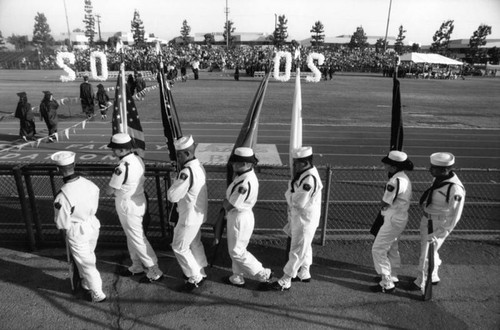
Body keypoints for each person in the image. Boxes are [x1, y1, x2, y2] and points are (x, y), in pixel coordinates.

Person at [105, 133, 163, 283]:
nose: (113, 152)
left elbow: (110, 190)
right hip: (138, 200)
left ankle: (154, 269)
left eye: (115, 149)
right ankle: (136, 265)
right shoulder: (138, 159)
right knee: (133, 236)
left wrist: (114, 191)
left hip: (127, 205)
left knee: (137, 238)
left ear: (121, 150)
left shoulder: (122, 167)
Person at [51, 151, 106, 302]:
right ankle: (87, 284)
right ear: (74, 165)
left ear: (57, 170)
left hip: (76, 230)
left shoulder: (62, 196)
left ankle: (97, 293)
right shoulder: (90, 184)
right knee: (89, 256)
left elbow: (61, 222)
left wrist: (66, 231)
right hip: (92, 224)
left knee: (86, 263)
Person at [410, 152, 466, 292]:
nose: (430, 169)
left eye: (433, 167)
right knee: (431, 251)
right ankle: (433, 276)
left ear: (445, 170)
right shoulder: (439, 179)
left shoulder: (455, 188)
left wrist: (441, 232)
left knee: (426, 254)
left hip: (438, 224)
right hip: (428, 220)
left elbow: (455, 215)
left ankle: (420, 282)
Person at [269, 147, 323, 291]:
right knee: (305, 245)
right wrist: (292, 195)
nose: (294, 165)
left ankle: (286, 279)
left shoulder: (308, 179)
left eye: (296, 163)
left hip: (304, 219)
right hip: (303, 217)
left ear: (305, 163)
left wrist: (289, 195)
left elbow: (298, 202)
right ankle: (304, 272)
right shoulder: (306, 173)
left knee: (297, 249)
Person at [223, 147, 273, 288]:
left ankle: (262, 273)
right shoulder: (244, 175)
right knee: (236, 248)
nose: (233, 165)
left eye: (237, 162)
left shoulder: (245, 182)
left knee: (236, 251)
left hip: (239, 217)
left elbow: (230, 205)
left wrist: (224, 202)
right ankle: (237, 277)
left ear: (246, 164)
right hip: (240, 216)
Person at [167, 135, 209, 292]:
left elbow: (172, 196)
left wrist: (174, 183)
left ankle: (194, 277)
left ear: (184, 154)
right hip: (198, 214)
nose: (177, 158)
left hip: (188, 217)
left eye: (178, 155)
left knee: (179, 247)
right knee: (195, 243)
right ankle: (201, 270)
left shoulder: (186, 172)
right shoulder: (199, 167)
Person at [370, 150, 414, 294]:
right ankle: (393, 275)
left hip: (393, 217)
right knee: (392, 246)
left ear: (393, 167)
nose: (385, 166)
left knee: (378, 249)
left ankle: (386, 282)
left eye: (387, 164)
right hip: (400, 217)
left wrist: (382, 204)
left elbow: (385, 202)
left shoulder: (394, 181)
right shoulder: (404, 178)